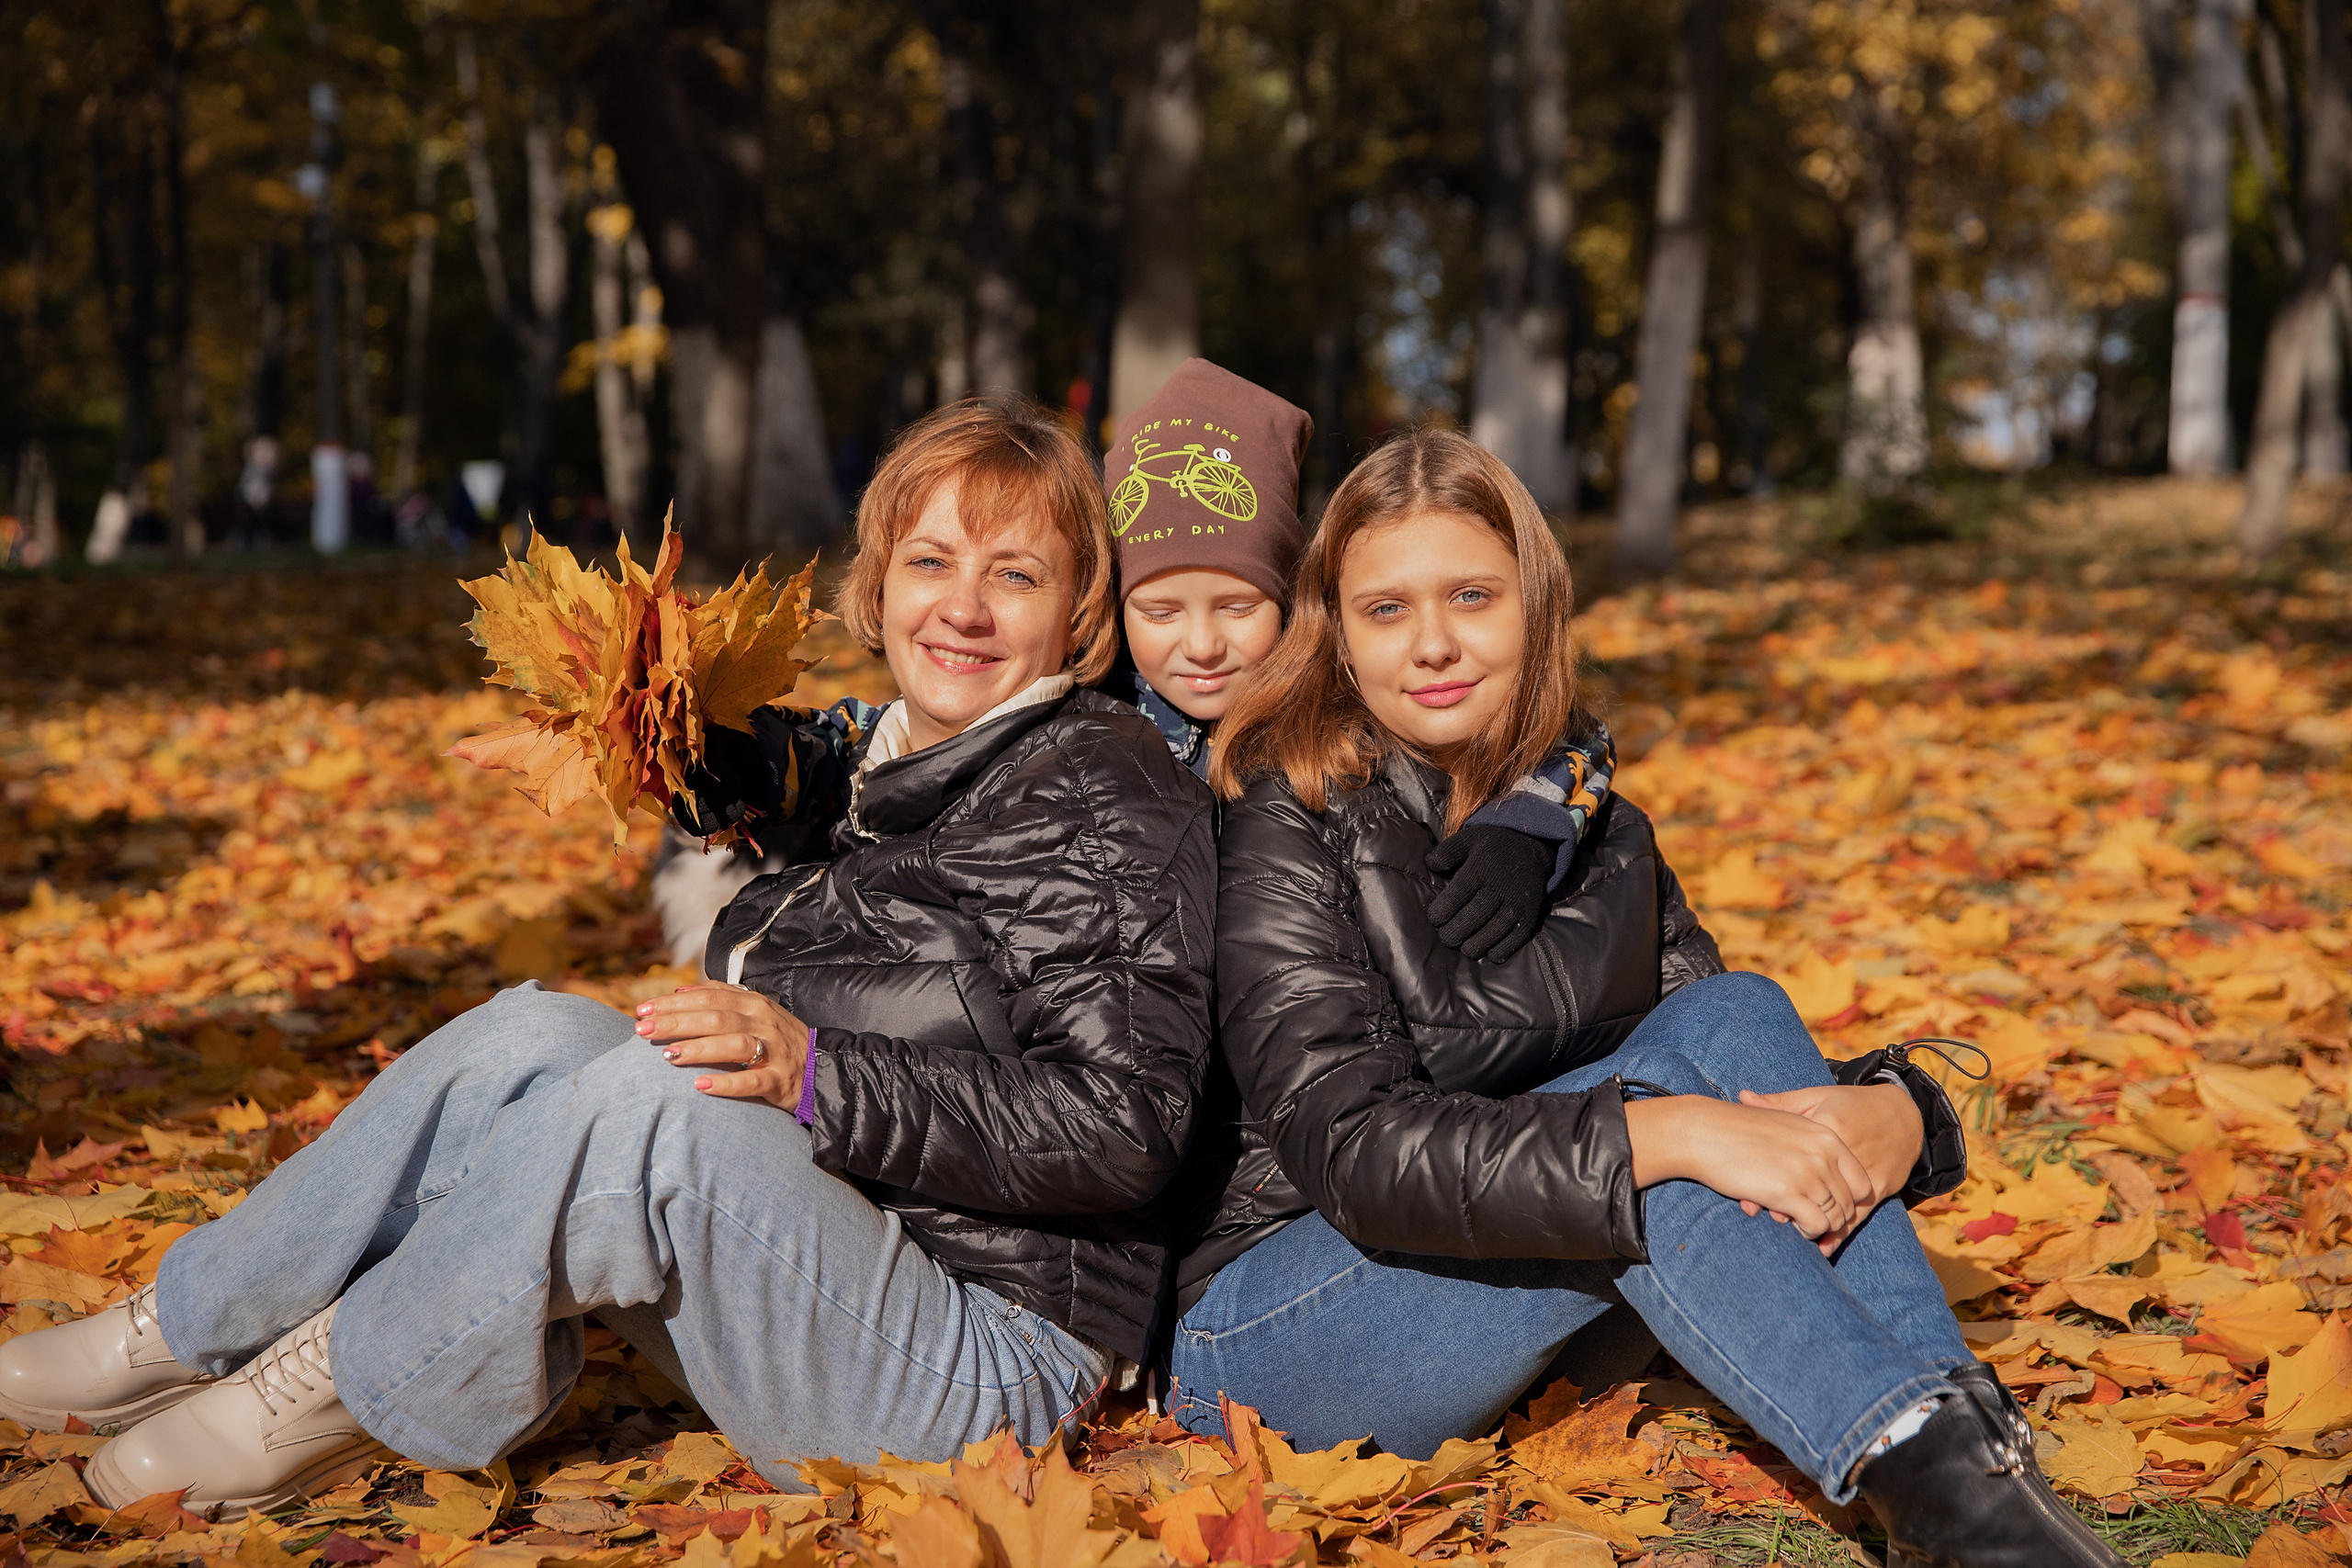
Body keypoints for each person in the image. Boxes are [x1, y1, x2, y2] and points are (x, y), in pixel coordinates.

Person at [0, 398, 1219, 1518]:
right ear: (880, 582)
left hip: (986, 1368)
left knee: (661, 1098)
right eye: (932, 561)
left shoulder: (1103, 787)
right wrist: (675, 731)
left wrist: (818, 1072)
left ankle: (330, 1385)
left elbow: (1121, 1123)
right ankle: (182, 1321)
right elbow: (781, 767)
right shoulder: (895, 752)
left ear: (1078, 614)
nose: (963, 604)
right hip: (854, 1256)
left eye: (1016, 573)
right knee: (539, 1030)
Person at [1165, 428, 2120, 1568]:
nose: (1431, 645)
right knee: (1648, 1142)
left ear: (1536, 605)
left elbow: (1738, 1075)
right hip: (1277, 1334)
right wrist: (1661, 1132)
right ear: (1336, 634)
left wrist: (1904, 1115)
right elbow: (1359, 1150)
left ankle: (1959, 1469)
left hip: (1529, 1297)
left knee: (1732, 1017)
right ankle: (1947, 1479)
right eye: (1384, 610)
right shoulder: (1287, 820)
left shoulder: (1602, 832)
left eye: (1472, 596)